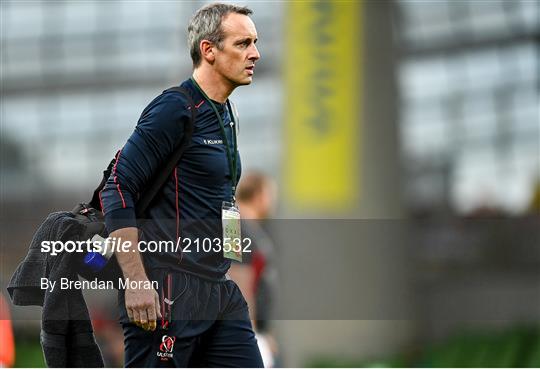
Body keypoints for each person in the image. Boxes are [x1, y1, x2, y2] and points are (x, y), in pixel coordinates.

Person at [99, 3, 262, 367]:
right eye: (243, 43)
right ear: (209, 50)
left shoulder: (226, 114)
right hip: (167, 289)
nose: (255, 53)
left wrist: (233, 264)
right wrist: (137, 281)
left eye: (255, 42)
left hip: (219, 291)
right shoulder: (175, 108)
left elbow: (224, 200)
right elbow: (118, 187)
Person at [228, 171, 280, 367]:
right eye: (271, 194)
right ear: (259, 194)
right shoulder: (233, 222)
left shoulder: (255, 229)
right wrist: (249, 331)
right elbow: (238, 280)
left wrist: (266, 332)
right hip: (245, 330)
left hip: (257, 330)